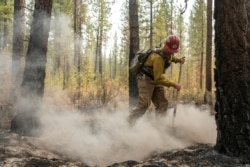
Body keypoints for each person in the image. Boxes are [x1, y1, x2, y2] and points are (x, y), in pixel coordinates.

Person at [128, 34, 185, 125]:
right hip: (145, 78)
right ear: (165, 45)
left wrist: (178, 60)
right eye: (171, 50)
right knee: (144, 104)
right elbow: (158, 79)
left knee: (162, 103)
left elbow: (170, 58)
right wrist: (173, 84)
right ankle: (129, 123)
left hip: (155, 78)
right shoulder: (157, 58)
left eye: (173, 51)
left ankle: (160, 127)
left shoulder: (166, 53)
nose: (172, 52)